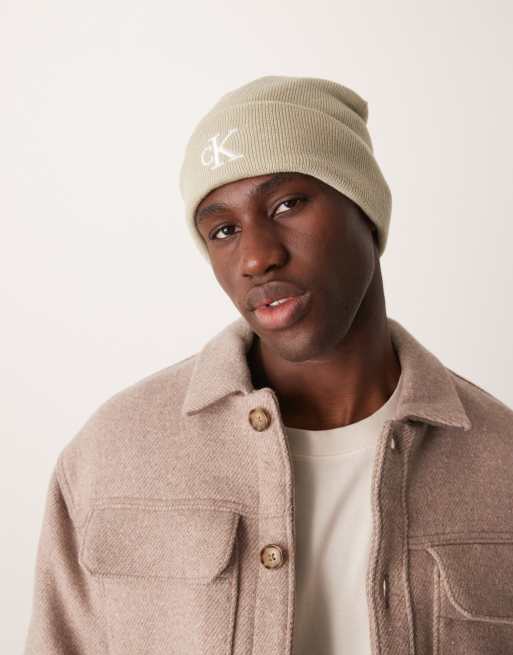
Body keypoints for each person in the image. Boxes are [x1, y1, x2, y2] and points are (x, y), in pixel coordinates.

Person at [23, 75, 513, 655]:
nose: (257, 257)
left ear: (365, 207)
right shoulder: (112, 453)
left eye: (288, 204)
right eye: (224, 230)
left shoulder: (500, 462)